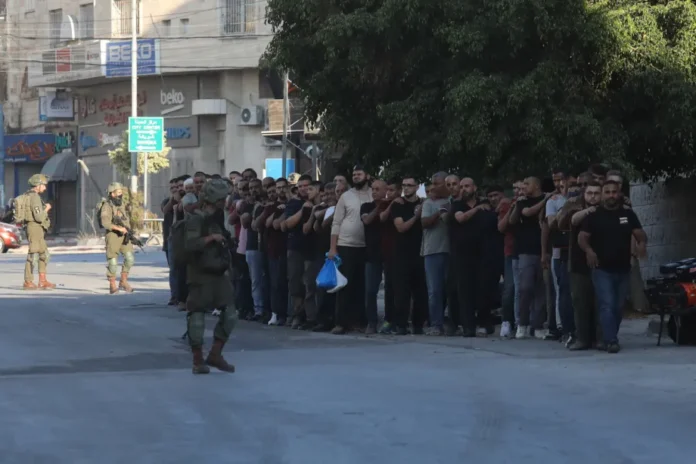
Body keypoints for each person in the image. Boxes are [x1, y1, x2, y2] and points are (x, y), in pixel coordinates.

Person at [578, 180, 647, 353]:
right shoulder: (594, 215)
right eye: (607, 192)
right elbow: (582, 237)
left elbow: (640, 234)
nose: (611, 195)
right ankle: (610, 341)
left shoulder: (628, 214)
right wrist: (589, 251)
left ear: (619, 194)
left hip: (623, 268)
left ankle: (609, 336)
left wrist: (641, 244)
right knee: (607, 304)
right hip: (601, 268)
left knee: (618, 307)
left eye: (614, 192)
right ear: (602, 195)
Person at [184, 179, 238, 374]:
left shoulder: (217, 217)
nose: (225, 201)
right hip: (199, 273)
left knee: (230, 314)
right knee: (197, 316)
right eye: (222, 198)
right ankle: (197, 360)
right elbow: (190, 245)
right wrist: (211, 238)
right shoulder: (195, 218)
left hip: (218, 272)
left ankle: (215, 354)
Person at [21, 174, 55, 290]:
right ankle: (28, 281)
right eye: (43, 185)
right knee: (33, 254)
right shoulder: (34, 197)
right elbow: (39, 217)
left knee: (44, 254)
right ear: (37, 185)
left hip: (37, 228)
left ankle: (42, 281)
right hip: (34, 228)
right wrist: (47, 208)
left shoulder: (29, 195)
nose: (45, 188)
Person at [100, 182, 136, 294]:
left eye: (121, 192)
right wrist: (119, 228)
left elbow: (125, 219)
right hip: (113, 236)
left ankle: (123, 281)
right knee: (113, 261)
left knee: (130, 258)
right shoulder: (107, 206)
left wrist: (128, 230)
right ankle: (112, 284)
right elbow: (105, 223)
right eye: (119, 192)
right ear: (112, 193)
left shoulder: (121, 204)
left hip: (124, 235)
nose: (121, 194)